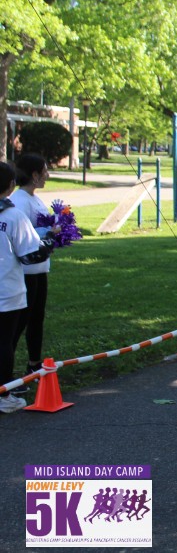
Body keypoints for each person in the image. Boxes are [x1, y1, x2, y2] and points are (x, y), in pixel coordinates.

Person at [0, 161, 46, 414]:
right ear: (10, 186)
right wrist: (50, 241)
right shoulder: (13, 216)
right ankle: (3, 395)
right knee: (4, 342)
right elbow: (31, 255)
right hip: (7, 291)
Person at [10, 154, 52, 388]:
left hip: (39, 269)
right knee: (19, 323)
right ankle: (7, 375)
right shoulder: (20, 201)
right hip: (25, 272)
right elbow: (23, 236)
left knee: (37, 319)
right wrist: (48, 234)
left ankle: (34, 365)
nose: (48, 175)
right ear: (34, 175)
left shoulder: (34, 198)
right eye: (45, 171)